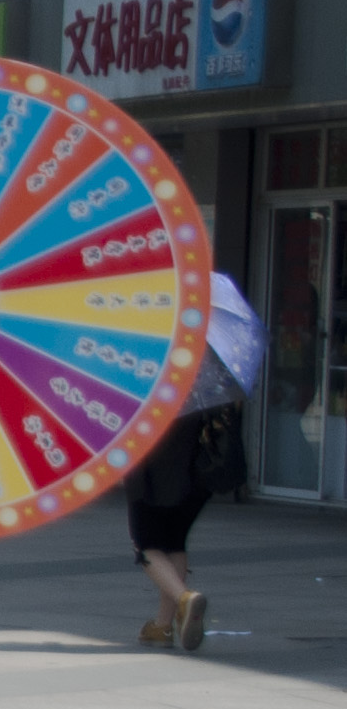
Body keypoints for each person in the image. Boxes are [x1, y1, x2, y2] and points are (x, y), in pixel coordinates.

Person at [124, 272, 254, 650]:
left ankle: (184, 598)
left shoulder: (153, 355)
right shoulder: (211, 359)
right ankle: (163, 626)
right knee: (174, 542)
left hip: (154, 467)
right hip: (200, 467)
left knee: (147, 546)